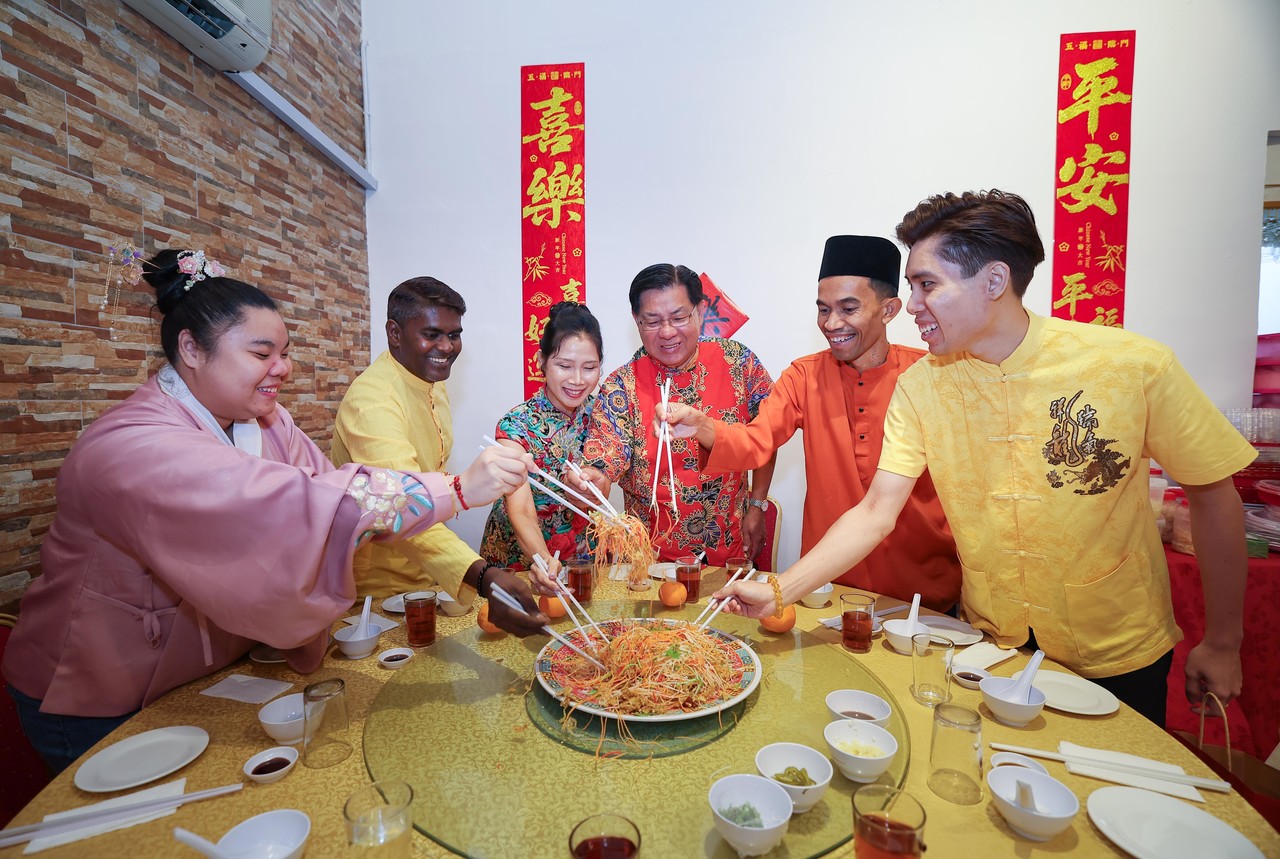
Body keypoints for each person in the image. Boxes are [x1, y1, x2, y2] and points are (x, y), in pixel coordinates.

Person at [711, 191, 1253, 725]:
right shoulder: (923, 386)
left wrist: (1224, 641)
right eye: (911, 287)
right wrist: (778, 590)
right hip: (989, 645)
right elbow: (876, 511)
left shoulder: (1132, 367)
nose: (912, 305)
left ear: (994, 281)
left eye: (927, 285)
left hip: (1116, 649)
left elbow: (1212, 494)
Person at [2, 249, 542, 774]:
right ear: (191, 349)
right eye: (262, 355)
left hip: (205, 671)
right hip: (99, 689)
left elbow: (327, 488)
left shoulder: (267, 421)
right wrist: (457, 490)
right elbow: (306, 504)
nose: (282, 368)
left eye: (284, 352)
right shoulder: (130, 446)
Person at [661, 236, 959, 611]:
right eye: (823, 310)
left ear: (888, 310)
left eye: (848, 309)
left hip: (922, 594)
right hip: (826, 588)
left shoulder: (931, 375)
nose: (832, 323)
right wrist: (704, 428)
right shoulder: (805, 376)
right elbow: (757, 441)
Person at [331, 277, 542, 603]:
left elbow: (427, 479)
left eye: (454, 335)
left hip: (428, 575)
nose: (446, 347)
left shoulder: (430, 380)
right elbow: (402, 504)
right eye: (431, 335)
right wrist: (483, 576)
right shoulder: (372, 402)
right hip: (378, 589)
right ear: (395, 333)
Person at [569, 264, 775, 566]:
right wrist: (591, 481)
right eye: (652, 321)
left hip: (729, 549)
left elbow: (769, 432)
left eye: (679, 318)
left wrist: (757, 503)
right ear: (636, 321)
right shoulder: (621, 386)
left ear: (700, 311)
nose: (667, 332)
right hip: (651, 561)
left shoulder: (738, 362)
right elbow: (605, 456)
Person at [480, 302, 603, 589]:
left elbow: (605, 483)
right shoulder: (516, 425)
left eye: (589, 368)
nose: (577, 380)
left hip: (581, 558)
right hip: (522, 561)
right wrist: (544, 560)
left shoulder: (603, 415)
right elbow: (521, 508)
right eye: (564, 366)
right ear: (541, 361)